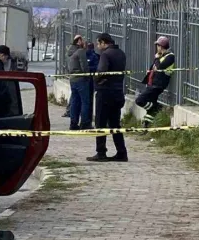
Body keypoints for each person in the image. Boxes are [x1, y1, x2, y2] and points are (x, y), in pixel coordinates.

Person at [88, 32, 128, 163]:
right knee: (115, 124)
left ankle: (101, 152)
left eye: (99, 44)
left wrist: (96, 79)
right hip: (118, 92)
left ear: (103, 42)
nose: (98, 47)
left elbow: (102, 71)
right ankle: (121, 152)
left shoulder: (105, 54)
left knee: (100, 123)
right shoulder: (121, 53)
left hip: (105, 92)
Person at [137, 36, 175, 126]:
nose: (157, 48)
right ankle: (147, 125)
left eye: (157, 46)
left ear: (161, 46)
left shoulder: (170, 57)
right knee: (150, 105)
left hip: (158, 85)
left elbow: (159, 67)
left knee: (139, 100)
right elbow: (152, 68)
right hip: (152, 83)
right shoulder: (160, 56)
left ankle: (157, 107)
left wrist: (157, 58)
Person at [66, 35, 93, 130]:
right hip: (81, 79)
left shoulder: (70, 52)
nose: (84, 41)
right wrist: (88, 76)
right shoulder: (80, 51)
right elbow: (84, 66)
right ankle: (85, 123)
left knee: (74, 101)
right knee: (85, 102)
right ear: (78, 41)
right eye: (82, 39)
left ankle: (73, 123)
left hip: (72, 79)